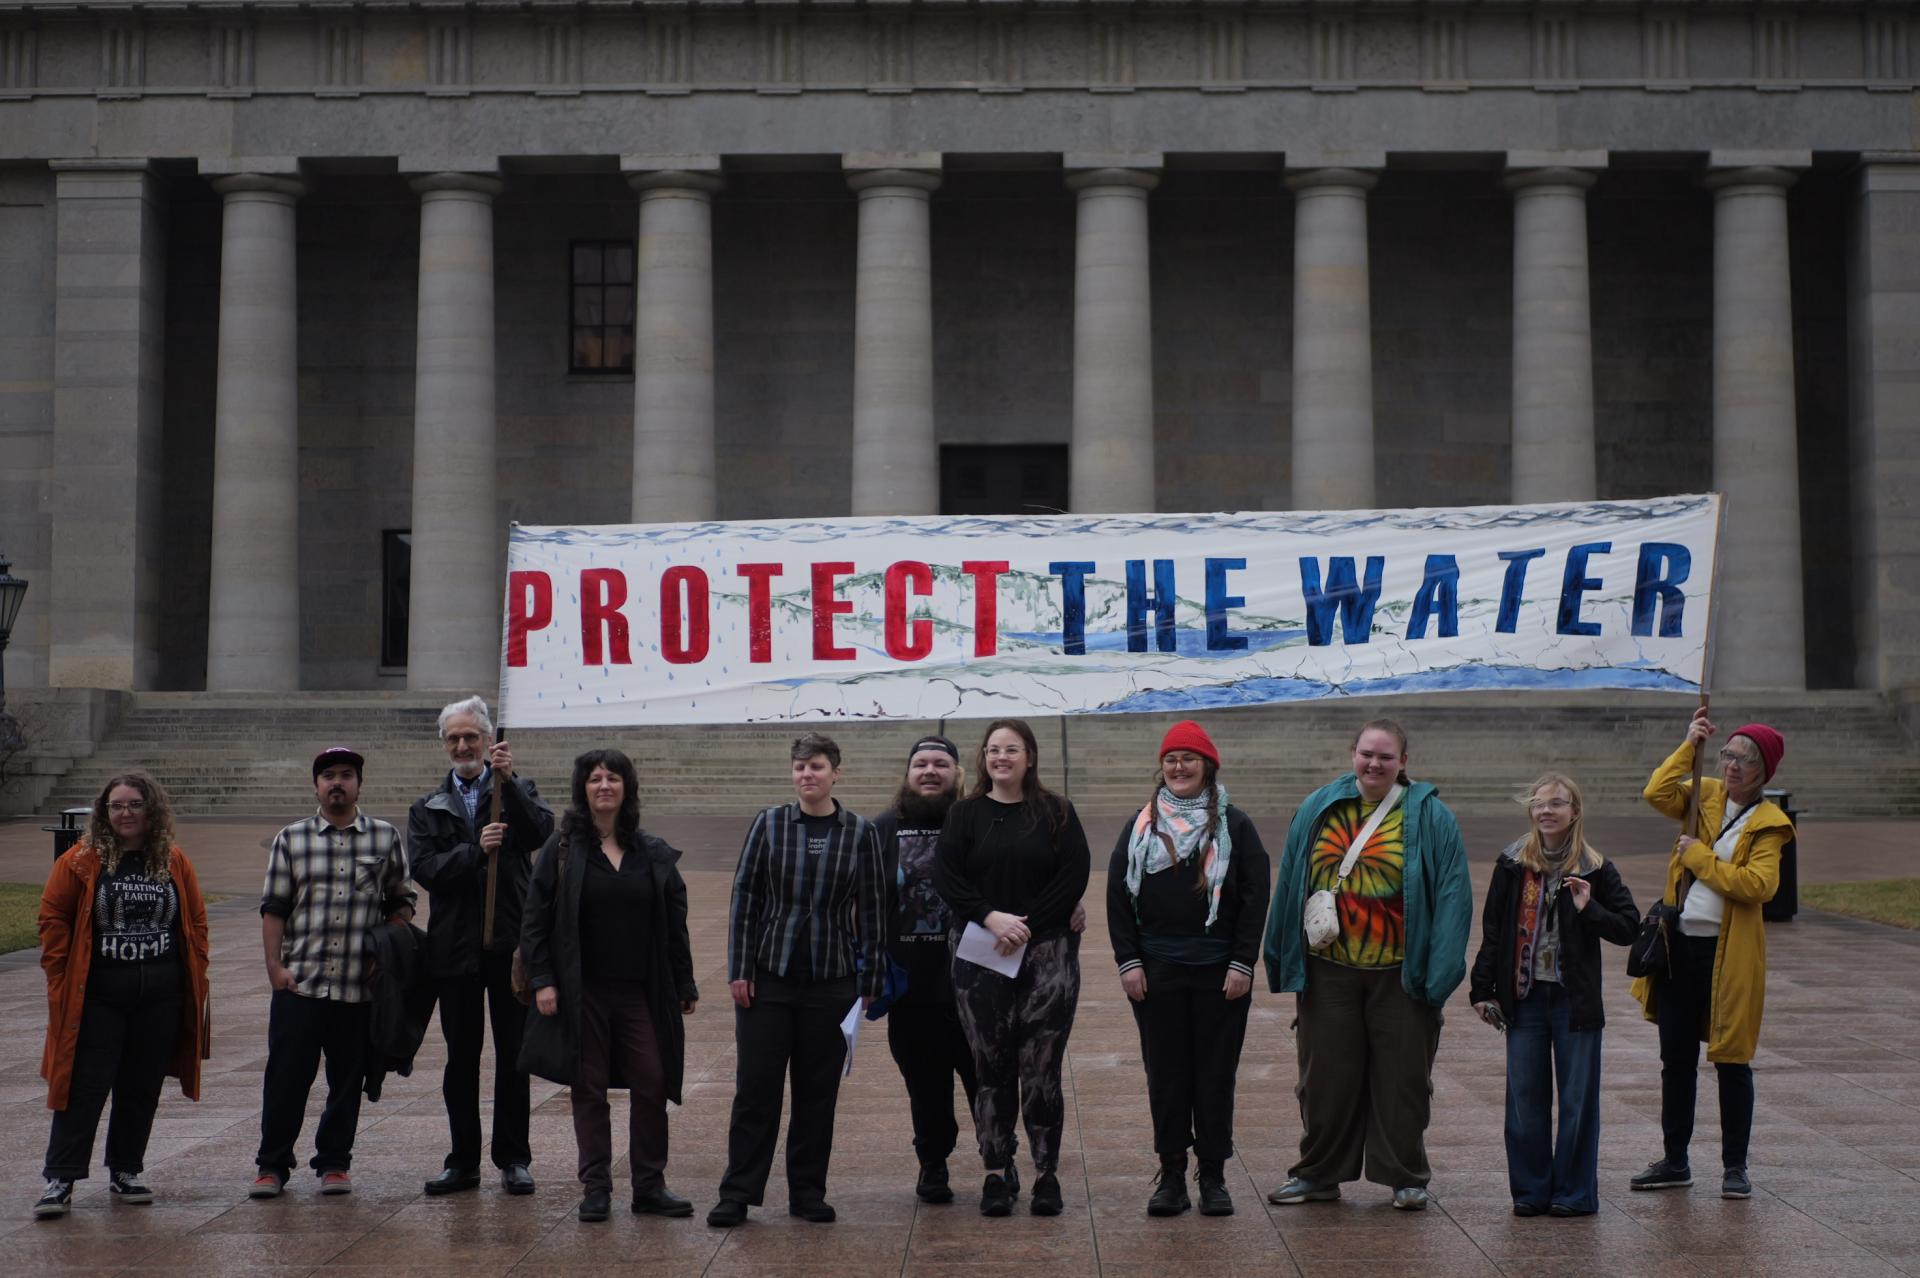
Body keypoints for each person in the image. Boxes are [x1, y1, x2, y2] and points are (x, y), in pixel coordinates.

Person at [1261, 718, 1473, 1211]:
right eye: (1366, 754)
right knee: (1323, 1079)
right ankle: (1318, 1173)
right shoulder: (1320, 806)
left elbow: (1452, 894)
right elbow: (1291, 878)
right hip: (1328, 969)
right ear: (1352, 754)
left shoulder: (1431, 816)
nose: (1374, 763)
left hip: (1400, 971)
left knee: (1403, 1081)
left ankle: (1405, 1175)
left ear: (1403, 762)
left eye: (1385, 756)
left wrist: (1440, 972)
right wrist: (1280, 952)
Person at [709, 733, 886, 1228]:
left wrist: (869, 976)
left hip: (832, 980)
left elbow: (872, 908)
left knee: (816, 1093)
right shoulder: (768, 824)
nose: (807, 774)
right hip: (769, 979)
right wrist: (740, 969)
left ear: (836, 772)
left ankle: (808, 1193)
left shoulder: (859, 832)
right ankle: (738, 1193)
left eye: (817, 766)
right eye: (800, 767)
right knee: (756, 1090)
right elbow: (745, 898)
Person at [519, 748, 698, 1223]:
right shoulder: (563, 849)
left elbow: (674, 924)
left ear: (626, 788)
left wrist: (684, 982)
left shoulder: (650, 851)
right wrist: (543, 980)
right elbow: (534, 921)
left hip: (640, 991)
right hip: (583, 992)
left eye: (613, 778)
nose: (604, 785)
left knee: (652, 1080)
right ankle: (596, 1187)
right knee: (589, 1086)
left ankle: (649, 1186)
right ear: (583, 788)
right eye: (595, 778)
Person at [1107, 721, 1270, 1218]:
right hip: (1157, 973)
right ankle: (1172, 1173)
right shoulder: (1140, 825)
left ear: (1209, 767)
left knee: (1215, 1076)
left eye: (1189, 759)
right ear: (1161, 767)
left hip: (1221, 974)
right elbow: (1118, 896)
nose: (1179, 768)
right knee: (1167, 1076)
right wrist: (1129, 962)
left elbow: (1253, 896)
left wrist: (1243, 961)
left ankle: (1214, 1175)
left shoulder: (1235, 825)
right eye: (1171, 759)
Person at [34, 772, 211, 1219]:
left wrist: (194, 971)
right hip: (99, 997)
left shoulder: (172, 861)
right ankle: (61, 1177)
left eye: (134, 804)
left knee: (141, 1087)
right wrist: (60, 975)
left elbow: (195, 920)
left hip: (159, 997)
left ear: (151, 810)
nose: (126, 813)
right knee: (83, 1086)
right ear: (103, 811)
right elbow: (53, 918)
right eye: (117, 805)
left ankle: (126, 1170)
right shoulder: (80, 861)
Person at [1629, 709, 1790, 1201]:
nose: (1731, 766)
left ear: (1763, 770)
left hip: (1730, 954)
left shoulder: (1769, 824)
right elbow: (1656, 791)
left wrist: (1699, 856)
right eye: (1727, 755)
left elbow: (1759, 886)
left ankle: (1734, 1167)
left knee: (1732, 1061)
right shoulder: (1705, 794)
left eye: (1744, 759)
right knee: (1675, 1060)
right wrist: (1689, 746)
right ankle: (1675, 1160)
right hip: (1679, 950)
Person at [935, 718, 1091, 1219]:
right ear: (983, 758)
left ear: (1029, 757)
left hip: (1046, 953)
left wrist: (1026, 924)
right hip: (981, 953)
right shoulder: (964, 814)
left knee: (1041, 1068)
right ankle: (997, 1171)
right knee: (991, 1066)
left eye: (1012, 749)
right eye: (993, 749)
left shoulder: (1056, 812)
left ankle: (1046, 1172)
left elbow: (1074, 873)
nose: (1001, 757)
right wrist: (990, 917)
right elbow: (947, 875)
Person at [1468, 773, 1639, 1217]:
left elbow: (1628, 927)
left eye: (1557, 804)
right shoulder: (1512, 863)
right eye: (1539, 803)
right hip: (1524, 998)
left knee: (1578, 1100)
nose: (1546, 811)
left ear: (1575, 811)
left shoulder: (1595, 867)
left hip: (1574, 1002)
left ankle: (1574, 1193)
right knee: (1525, 1099)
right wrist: (1482, 989)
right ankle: (1530, 1191)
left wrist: (1590, 908)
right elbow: (1494, 932)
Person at [251, 747, 415, 1199]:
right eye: (328, 776)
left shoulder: (383, 838)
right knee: (286, 1079)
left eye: (346, 775)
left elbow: (402, 899)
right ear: (316, 785)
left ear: (359, 784)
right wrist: (274, 968)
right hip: (299, 983)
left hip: (357, 988)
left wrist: (387, 944)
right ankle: (272, 1165)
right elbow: (274, 908)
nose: (337, 783)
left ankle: (334, 1162)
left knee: (347, 1081)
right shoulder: (292, 839)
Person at [408, 695, 554, 1198]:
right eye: (454, 738)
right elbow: (425, 869)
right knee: (461, 1058)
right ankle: (462, 1160)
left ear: (489, 741)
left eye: (472, 736)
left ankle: (514, 1157)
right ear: (444, 745)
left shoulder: (515, 789)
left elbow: (542, 832)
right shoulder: (427, 807)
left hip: (510, 945)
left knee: (515, 1056)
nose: (464, 745)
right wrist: (475, 852)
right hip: (454, 950)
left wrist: (509, 784)